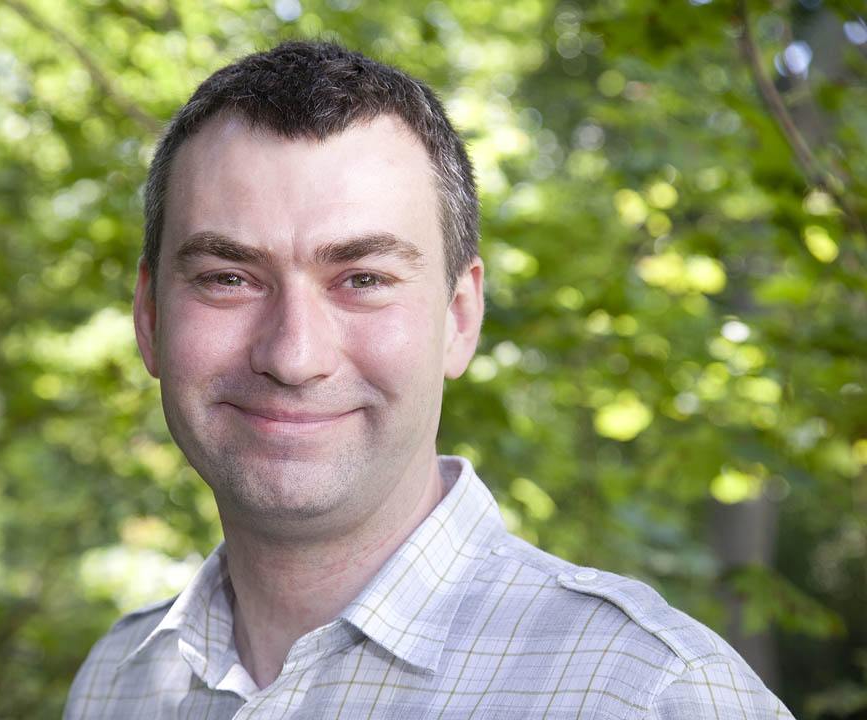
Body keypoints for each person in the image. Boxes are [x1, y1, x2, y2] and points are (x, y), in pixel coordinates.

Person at [64, 41, 794, 719]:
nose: (293, 355)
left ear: (460, 317)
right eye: (229, 277)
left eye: (362, 278)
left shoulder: (651, 694)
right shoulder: (116, 681)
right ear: (151, 317)